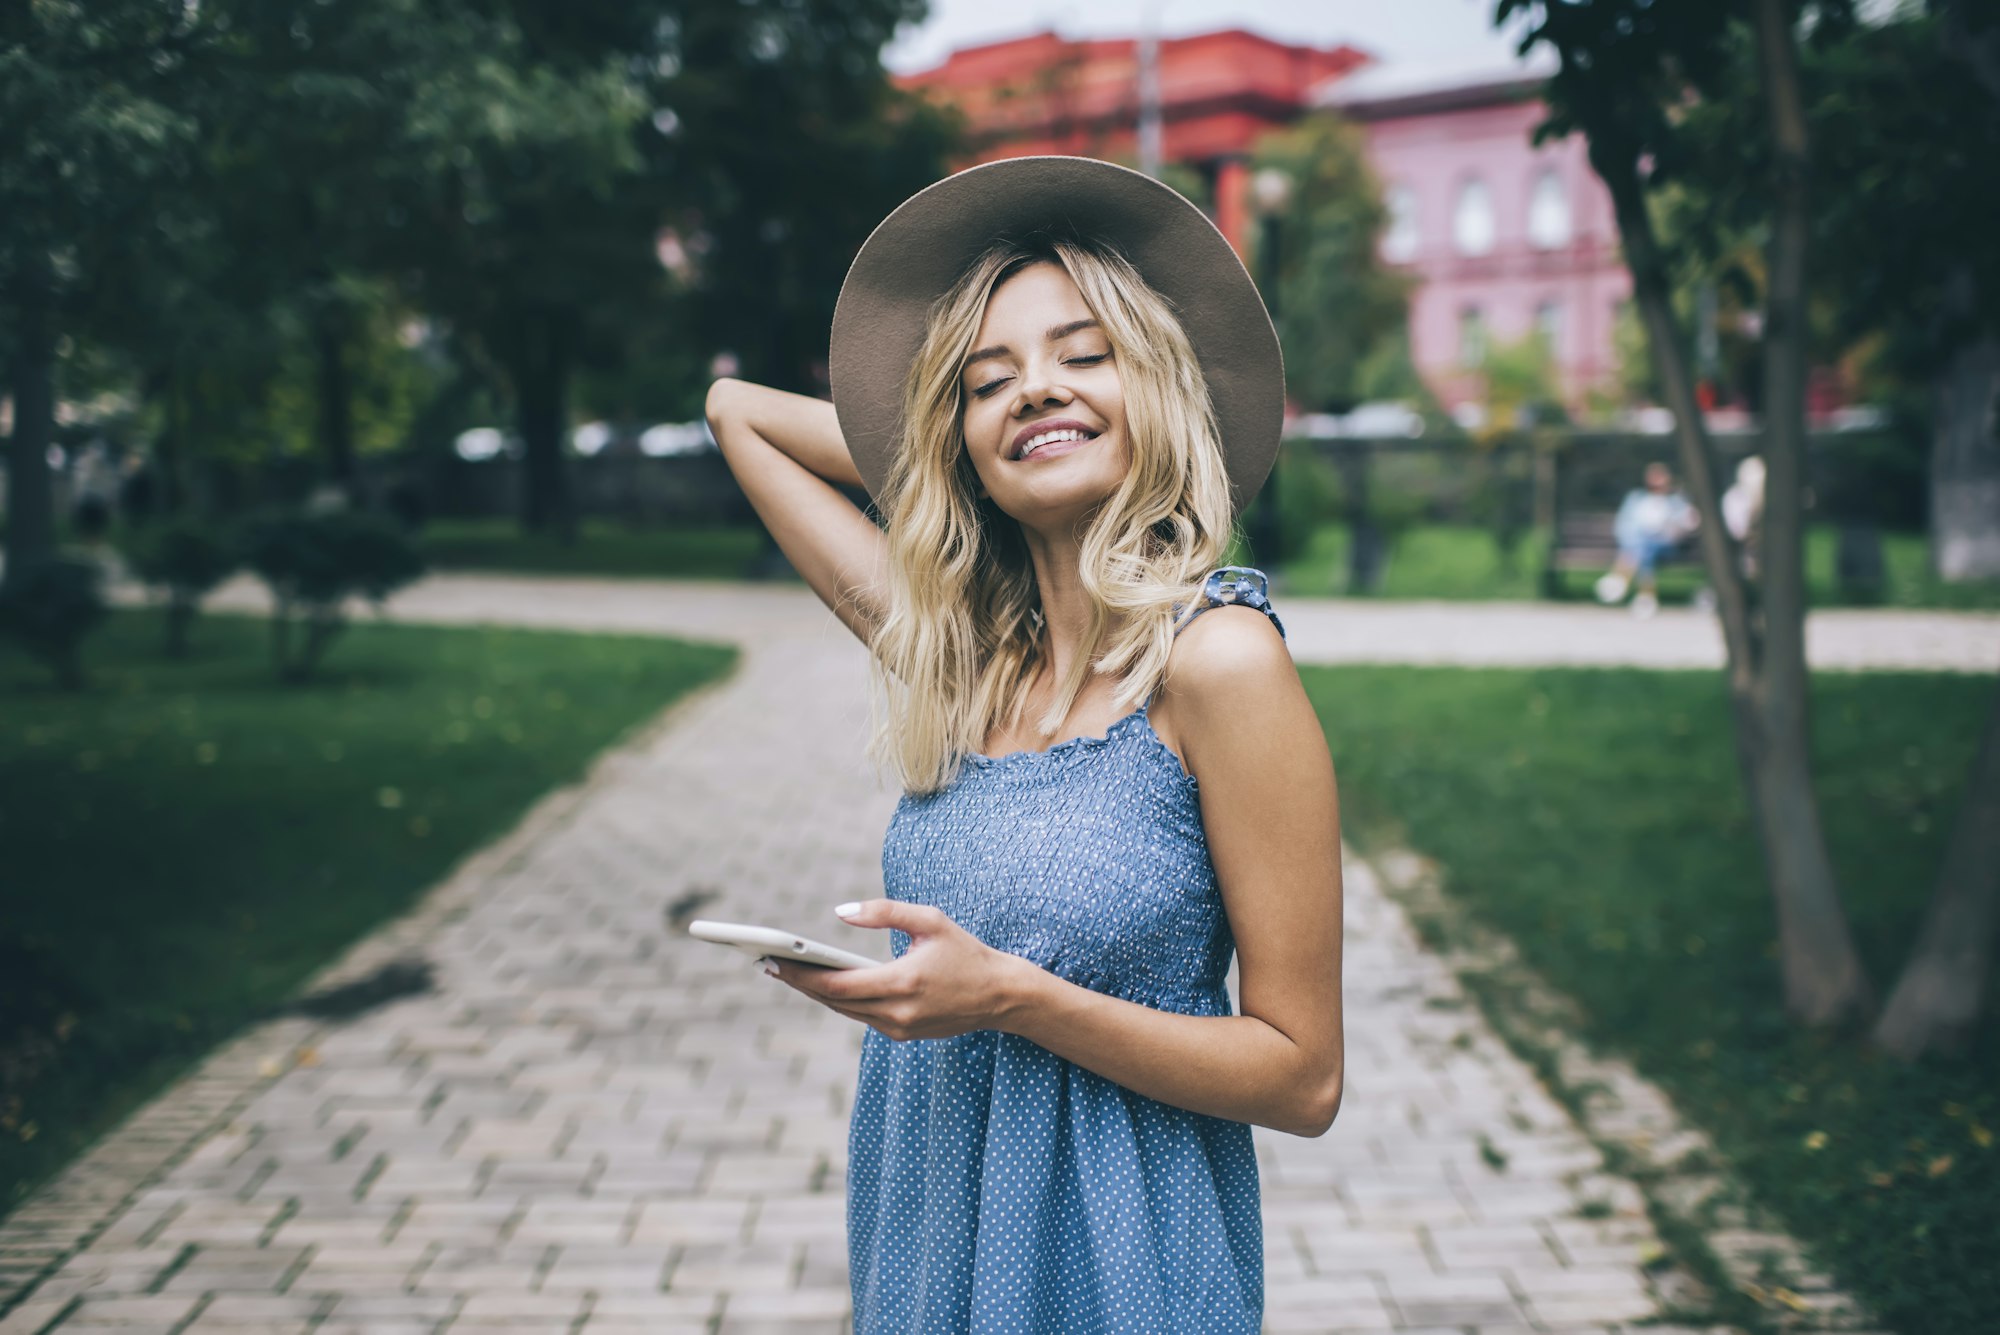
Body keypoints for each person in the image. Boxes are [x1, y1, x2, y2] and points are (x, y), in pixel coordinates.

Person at [704, 156, 1344, 1334]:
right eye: (989, 380)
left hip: (1119, 1272)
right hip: (929, 1247)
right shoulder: (969, 665)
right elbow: (735, 413)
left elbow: (1302, 1079)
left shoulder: (1216, 664)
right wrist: (945, 448)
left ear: (1158, 391)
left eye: (1083, 357)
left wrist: (1011, 997)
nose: (1036, 392)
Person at [1594, 460, 1700, 617]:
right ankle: (1645, 597)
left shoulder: (1676, 501)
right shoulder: (1636, 498)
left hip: (1666, 546)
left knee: (1643, 546)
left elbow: (1686, 524)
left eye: (1660, 476)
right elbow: (1623, 525)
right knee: (1644, 548)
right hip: (1639, 545)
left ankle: (1620, 579)